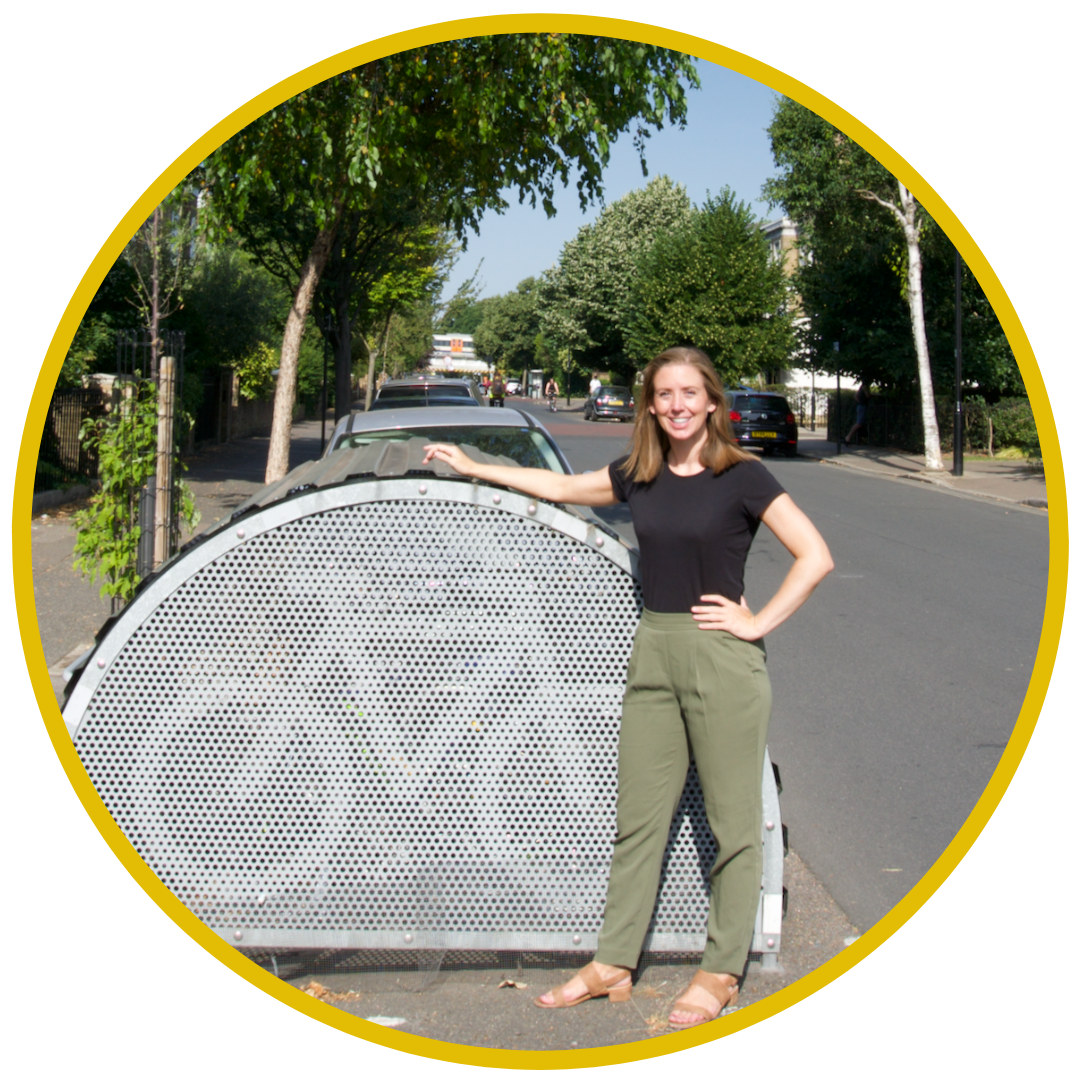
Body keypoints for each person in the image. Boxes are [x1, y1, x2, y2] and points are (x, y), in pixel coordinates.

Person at [422, 346, 833, 1029]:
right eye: (663, 393)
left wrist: (757, 619)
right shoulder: (640, 475)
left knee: (734, 826)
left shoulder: (743, 476)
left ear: (711, 403)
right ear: (650, 404)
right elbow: (559, 488)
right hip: (653, 654)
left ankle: (721, 969)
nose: (675, 404)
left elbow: (815, 556)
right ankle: (614, 960)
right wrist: (474, 466)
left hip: (721, 658)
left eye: (688, 393)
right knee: (639, 822)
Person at [845, 381, 870, 446]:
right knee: (859, 423)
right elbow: (867, 396)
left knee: (861, 423)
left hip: (860, 406)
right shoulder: (864, 389)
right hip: (863, 406)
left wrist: (859, 402)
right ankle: (848, 436)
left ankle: (853, 438)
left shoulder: (860, 389)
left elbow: (855, 396)